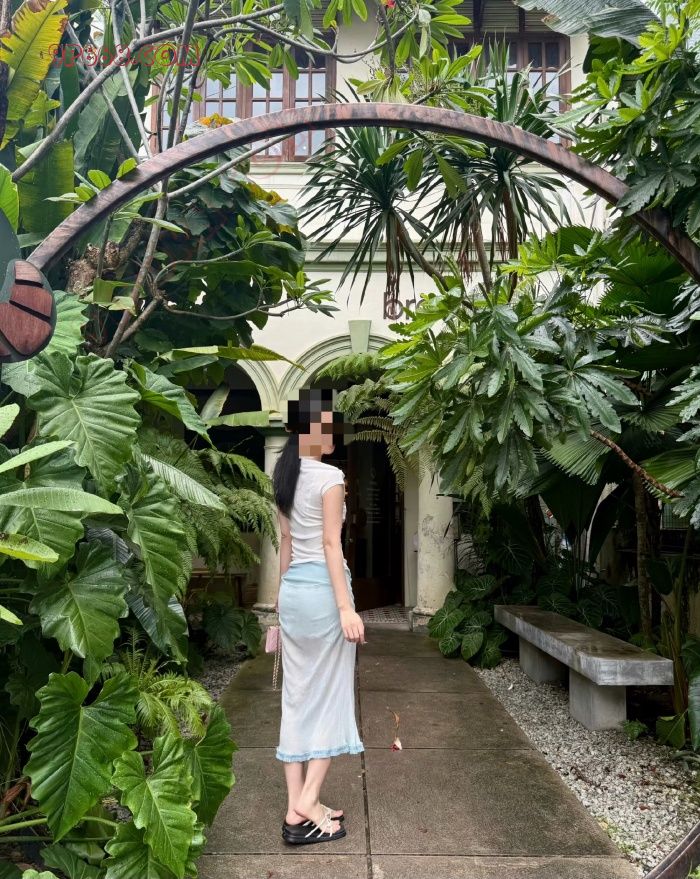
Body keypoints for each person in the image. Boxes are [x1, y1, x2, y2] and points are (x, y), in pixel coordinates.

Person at [272, 387, 367, 846]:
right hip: (324, 596)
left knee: (296, 699)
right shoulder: (331, 476)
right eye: (328, 426)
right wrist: (346, 608)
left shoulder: (283, 477)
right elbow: (331, 544)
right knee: (329, 696)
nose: (333, 435)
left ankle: (296, 810)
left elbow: (286, 543)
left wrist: (279, 603)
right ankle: (310, 800)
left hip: (292, 594)